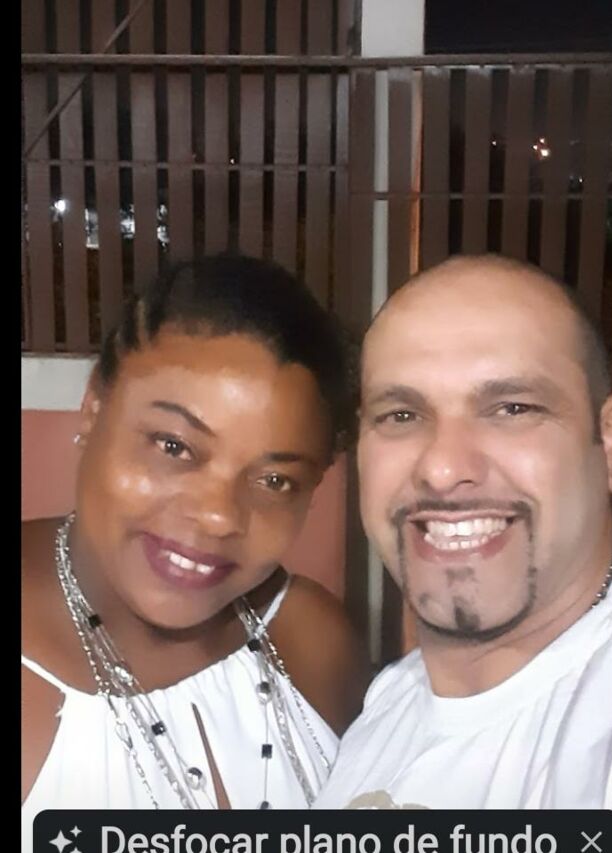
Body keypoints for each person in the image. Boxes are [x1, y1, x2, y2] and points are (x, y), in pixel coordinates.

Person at [21, 253, 369, 838]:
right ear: (94, 408)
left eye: (274, 480)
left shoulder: (312, 638)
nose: (217, 516)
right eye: (174, 446)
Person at [313, 254, 612, 810]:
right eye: (401, 415)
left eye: (512, 408)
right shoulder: (391, 701)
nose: (443, 467)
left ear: (611, 443)